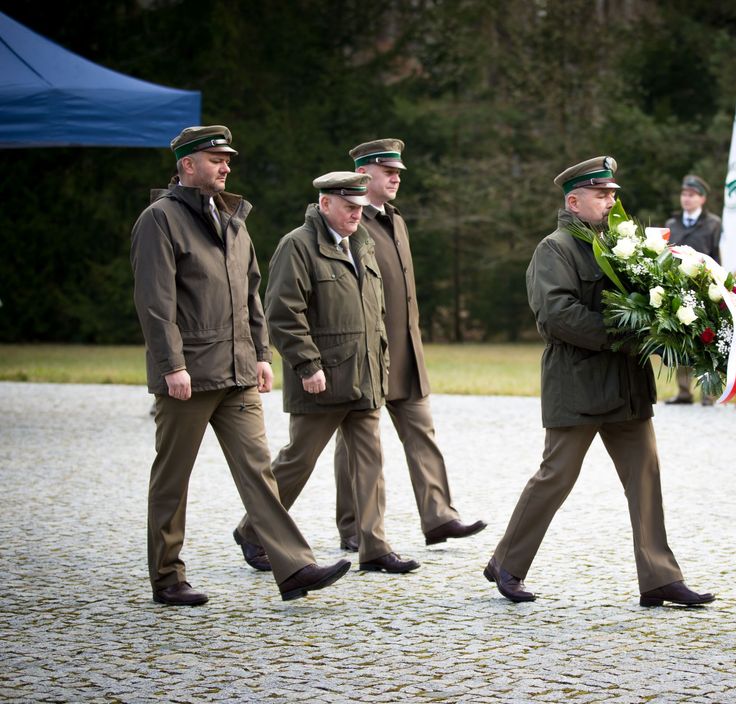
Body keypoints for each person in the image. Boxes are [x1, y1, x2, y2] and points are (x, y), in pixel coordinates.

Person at [130, 125, 350, 605]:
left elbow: (252, 293)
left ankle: (293, 569)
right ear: (187, 165)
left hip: (238, 374)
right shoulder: (159, 220)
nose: (225, 166)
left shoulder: (234, 219)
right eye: (214, 159)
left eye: (227, 159)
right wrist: (171, 365)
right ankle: (168, 578)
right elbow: (155, 302)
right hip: (188, 374)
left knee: (259, 474)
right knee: (173, 478)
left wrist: (261, 354)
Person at [484, 156, 714, 608]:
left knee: (645, 476)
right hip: (579, 384)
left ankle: (660, 578)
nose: (611, 202)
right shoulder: (555, 249)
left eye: (613, 194)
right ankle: (507, 564)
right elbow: (556, 315)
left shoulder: (623, 246)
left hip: (627, 385)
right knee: (556, 476)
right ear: (574, 201)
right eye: (601, 194)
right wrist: (628, 333)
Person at [232, 171, 420, 575]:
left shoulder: (362, 244)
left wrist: (381, 363)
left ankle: (375, 549)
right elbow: (283, 314)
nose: (357, 214)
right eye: (349, 207)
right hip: (321, 380)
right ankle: (252, 530)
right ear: (325, 204)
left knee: (370, 463)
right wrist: (306, 364)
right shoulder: (296, 246)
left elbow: (376, 312)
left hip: (365, 377)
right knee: (298, 460)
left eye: (359, 208)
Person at [329, 138, 485, 551]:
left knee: (422, 431)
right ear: (364, 175)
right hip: (367, 353)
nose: (397, 177)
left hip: (406, 349)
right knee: (356, 443)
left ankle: (439, 517)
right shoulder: (351, 222)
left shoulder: (395, 220)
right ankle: (351, 527)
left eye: (398, 172)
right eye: (388, 171)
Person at [663, 174, 722, 405]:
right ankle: (684, 390)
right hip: (679, 287)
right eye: (684, 194)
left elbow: (718, 256)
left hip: (706, 288)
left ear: (702, 199)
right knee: (681, 338)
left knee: (707, 340)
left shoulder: (713, 224)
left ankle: (709, 391)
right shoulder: (672, 224)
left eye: (692, 195)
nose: (686, 199)